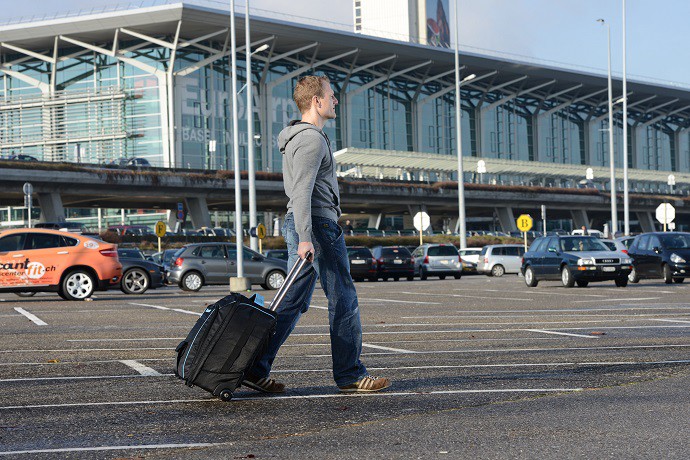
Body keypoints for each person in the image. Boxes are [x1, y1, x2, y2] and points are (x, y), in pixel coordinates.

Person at [242, 75, 391, 394]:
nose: (335, 101)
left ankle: (254, 367)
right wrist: (307, 236)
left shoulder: (296, 138)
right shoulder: (310, 140)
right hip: (318, 227)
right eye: (331, 96)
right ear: (316, 102)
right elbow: (302, 191)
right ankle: (350, 373)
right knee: (344, 297)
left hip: (307, 225)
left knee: (292, 301)